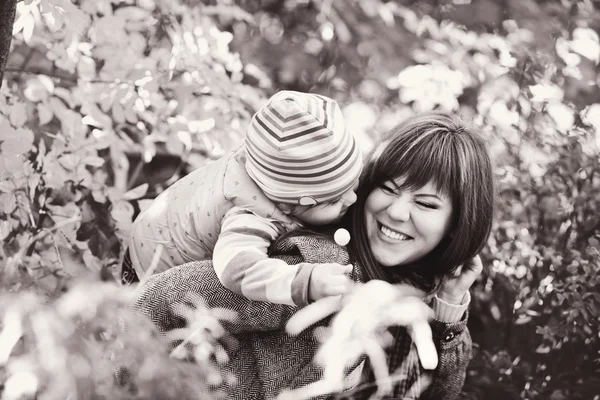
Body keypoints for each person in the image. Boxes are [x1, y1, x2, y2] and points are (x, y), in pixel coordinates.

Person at [132, 111, 494, 399]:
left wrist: (447, 309)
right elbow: (161, 297)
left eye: (426, 203)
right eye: (388, 187)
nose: (397, 212)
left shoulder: (403, 287)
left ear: (458, 224)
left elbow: (413, 391)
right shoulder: (318, 269)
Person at [125, 90, 362, 307]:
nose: (352, 198)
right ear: (290, 205)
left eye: (353, 183)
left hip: (158, 223)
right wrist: (305, 282)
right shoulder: (252, 214)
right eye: (333, 201)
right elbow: (236, 270)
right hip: (146, 267)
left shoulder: (267, 156)